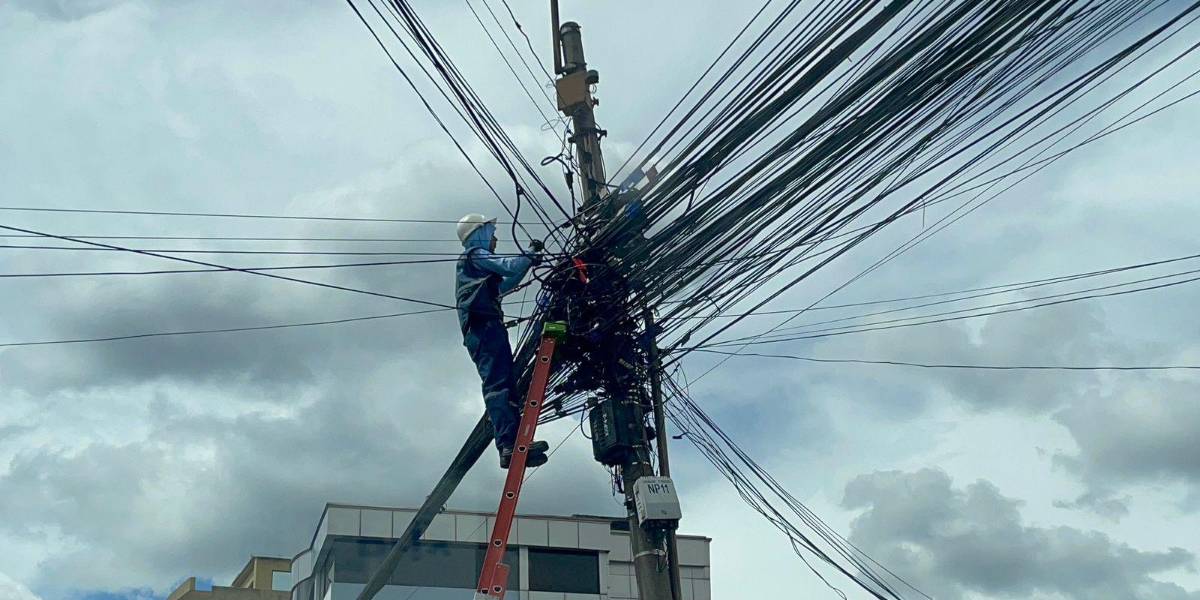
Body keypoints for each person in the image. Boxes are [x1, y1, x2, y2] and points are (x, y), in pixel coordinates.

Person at [455, 214, 548, 469]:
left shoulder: (476, 270)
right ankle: (508, 445)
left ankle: (516, 444)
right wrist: (529, 254)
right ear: (479, 233)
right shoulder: (475, 255)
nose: (495, 239)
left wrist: (527, 262)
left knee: (507, 384)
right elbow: (508, 266)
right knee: (498, 384)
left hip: (488, 328)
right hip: (482, 329)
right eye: (491, 233)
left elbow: (507, 282)